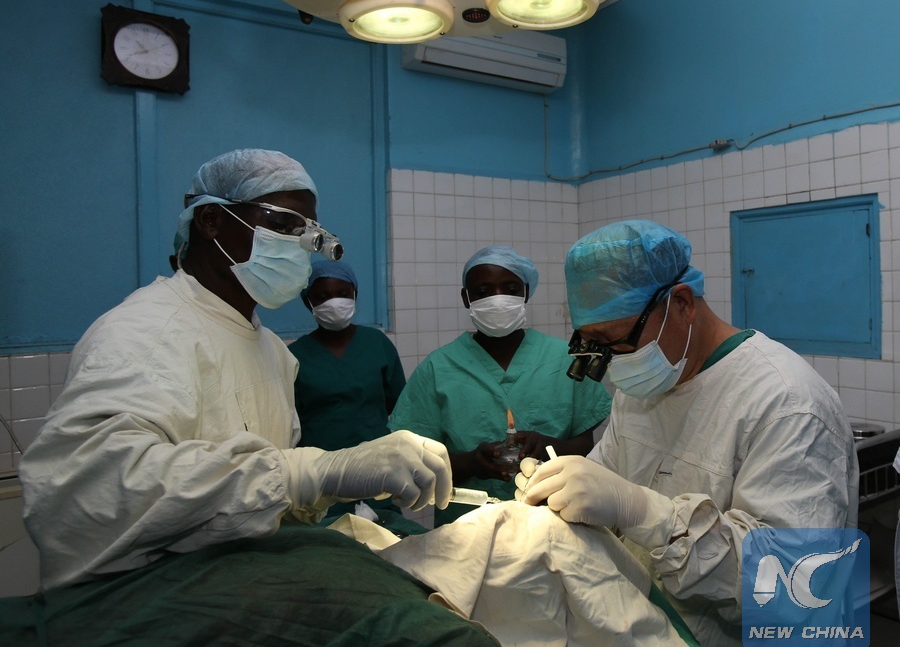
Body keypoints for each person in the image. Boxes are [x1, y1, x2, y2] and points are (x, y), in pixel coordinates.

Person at [18, 149, 456, 591]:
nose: (299, 246)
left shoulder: (271, 351)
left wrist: (322, 492)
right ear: (211, 220)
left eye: (307, 233)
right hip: (146, 597)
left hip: (243, 579)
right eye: (283, 225)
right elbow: (81, 501)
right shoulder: (145, 331)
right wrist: (316, 472)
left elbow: (261, 502)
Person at [516, 219, 859, 647]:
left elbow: (788, 585)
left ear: (681, 304)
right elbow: (607, 478)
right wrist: (563, 493)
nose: (611, 364)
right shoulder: (645, 386)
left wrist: (646, 514)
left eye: (616, 343)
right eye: (593, 344)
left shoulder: (788, 404)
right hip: (659, 641)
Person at [390, 245, 612, 526]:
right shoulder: (438, 368)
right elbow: (416, 464)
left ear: (525, 293)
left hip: (556, 522)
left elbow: (585, 446)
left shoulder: (563, 359)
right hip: (467, 527)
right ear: (466, 298)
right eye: (483, 291)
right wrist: (472, 463)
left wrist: (547, 446)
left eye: (510, 289)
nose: (497, 299)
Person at [290, 258, 414, 531]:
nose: (334, 302)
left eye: (342, 293)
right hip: (321, 477)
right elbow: (291, 424)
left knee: (388, 537)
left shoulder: (377, 343)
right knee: (329, 542)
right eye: (323, 296)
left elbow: (398, 404)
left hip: (377, 471)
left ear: (355, 295)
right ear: (308, 302)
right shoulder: (295, 357)